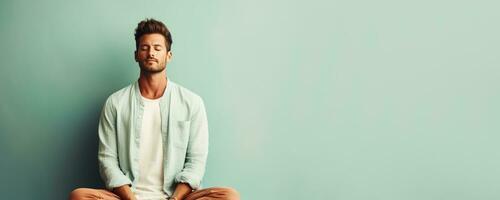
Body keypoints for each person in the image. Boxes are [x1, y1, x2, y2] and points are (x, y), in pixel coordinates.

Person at [69, 18, 239, 200]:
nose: (151, 53)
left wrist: (174, 199)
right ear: (136, 55)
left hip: (176, 197)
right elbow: (107, 161)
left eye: (157, 48)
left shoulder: (191, 102)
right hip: (128, 197)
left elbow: (196, 163)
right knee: (79, 196)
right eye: (145, 48)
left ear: (168, 55)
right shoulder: (116, 103)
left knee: (229, 196)